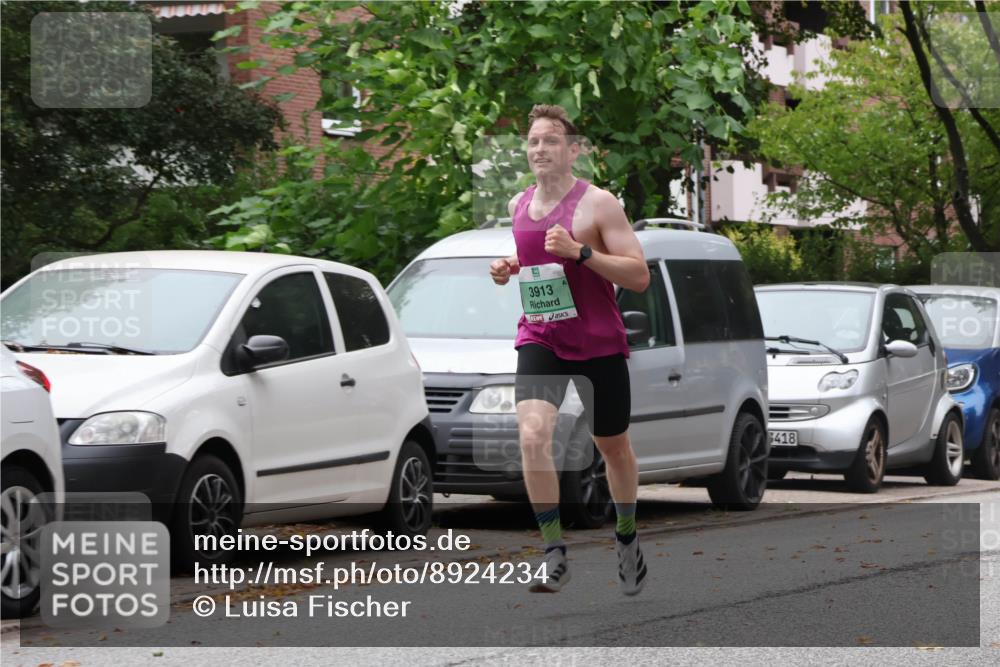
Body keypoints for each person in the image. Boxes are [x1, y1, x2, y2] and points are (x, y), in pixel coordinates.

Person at [489, 104, 650, 595]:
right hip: (542, 335)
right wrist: (509, 266)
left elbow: (639, 276)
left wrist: (582, 252)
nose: (540, 149)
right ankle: (554, 552)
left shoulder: (599, 204)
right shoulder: (519, 205)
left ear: (573, 149)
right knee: (533, 435)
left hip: (599, 340)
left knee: (613, 447)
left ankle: (626, 538)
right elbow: (539, 262)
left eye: (551, 140)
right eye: (534, 141)